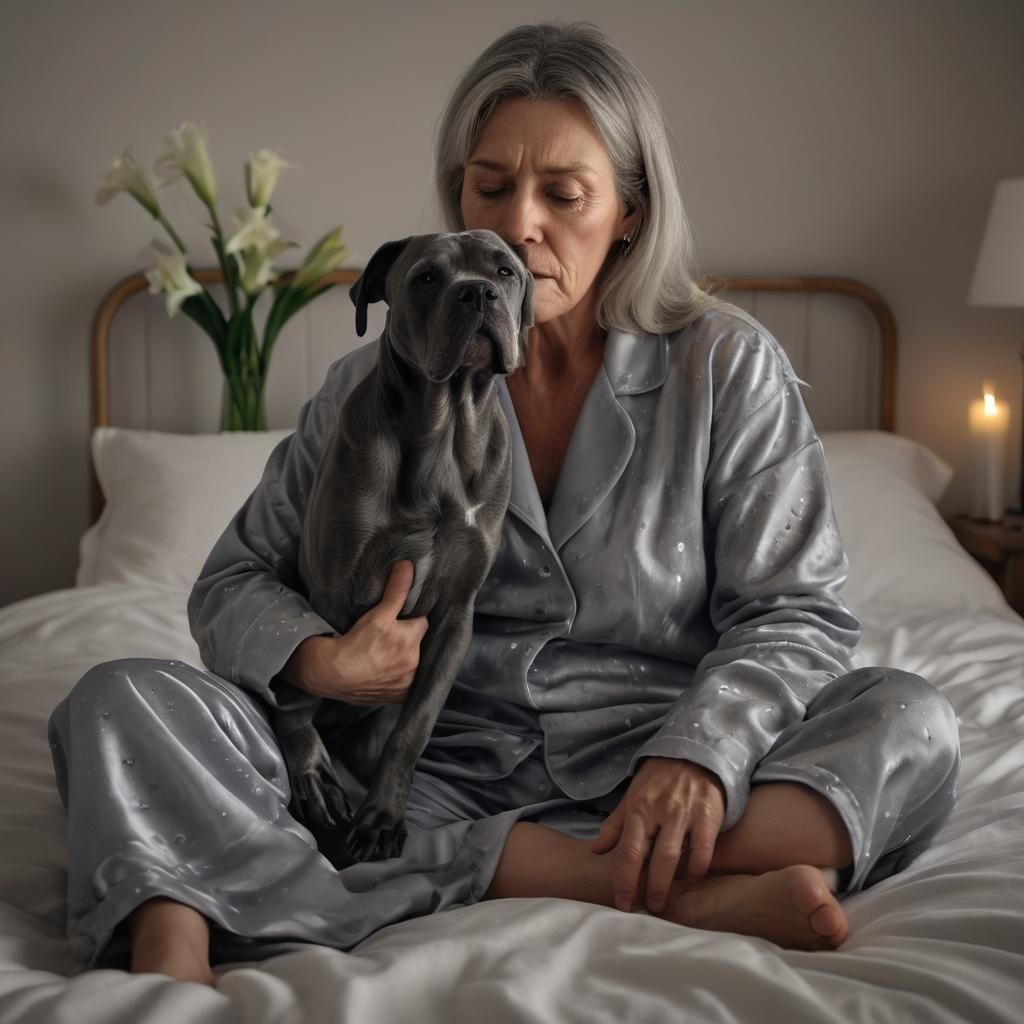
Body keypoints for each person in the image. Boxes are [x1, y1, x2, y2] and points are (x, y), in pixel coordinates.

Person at [48, 21, 960, 986]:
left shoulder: (725, 370)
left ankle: (309, 887)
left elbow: (796, 611)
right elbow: (233, 578)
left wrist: (700, 754)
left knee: (913, 724)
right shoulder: (366, 389)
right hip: (401, 774)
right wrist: (322, 658)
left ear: (630, 215)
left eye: (564, 194)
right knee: (118, 701)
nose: (523, 223)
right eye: (491, 187)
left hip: (651, 778)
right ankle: (649, 890)